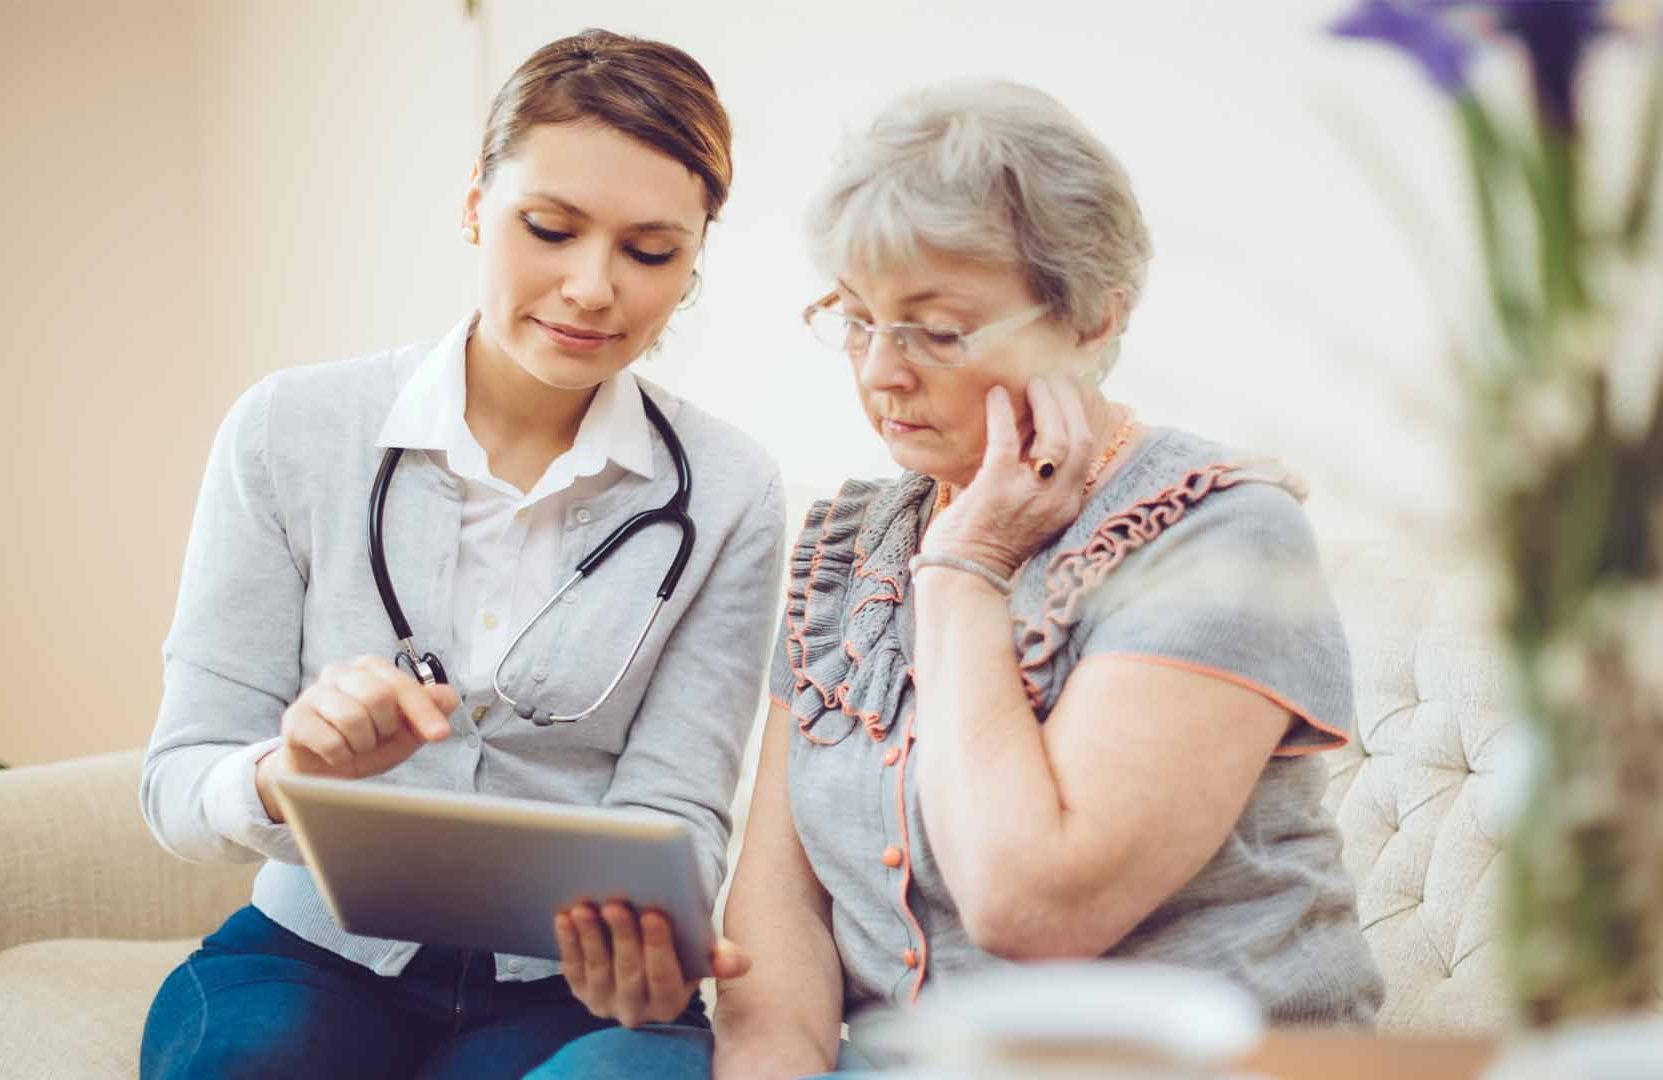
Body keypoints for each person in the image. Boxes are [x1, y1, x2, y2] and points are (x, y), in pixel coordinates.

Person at [706, 79, 1386, 1075]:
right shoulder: (846, 543)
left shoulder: (1224, 533)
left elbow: (1033, 904)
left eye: (935, 331)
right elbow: (779, 925)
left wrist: (962, 573)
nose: (881, 373)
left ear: (1089, 319)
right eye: (856, 320)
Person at [138, 29, 778, 1079]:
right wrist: (285, 772)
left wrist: (651, 951)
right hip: (309, 959)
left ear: (696, 256)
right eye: (550, 228)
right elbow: (176, 786)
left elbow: (679, 811)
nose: (590, 287)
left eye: (650, 251)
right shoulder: (288, 430)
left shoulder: (728, 490)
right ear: (476, 202)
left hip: (565, 995)